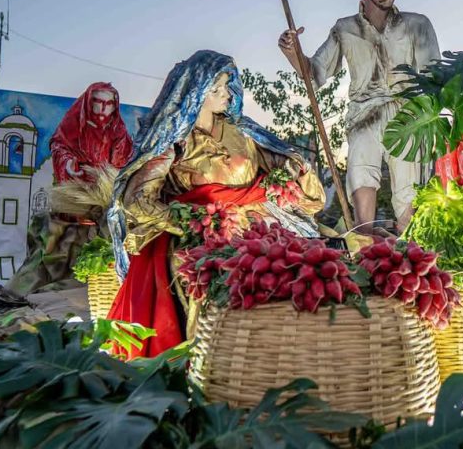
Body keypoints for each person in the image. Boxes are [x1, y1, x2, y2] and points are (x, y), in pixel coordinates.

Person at [106, 50, 324, 358]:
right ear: (194, 93)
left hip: (262, 225)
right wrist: (194, 218)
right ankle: (213, 362)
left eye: (226, 85)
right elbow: (137, 200)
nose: (226, 93)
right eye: (216, 88)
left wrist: (292, 173)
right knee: (213, 280)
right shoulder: (175, 142)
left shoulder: (243, 132)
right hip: (207, 232)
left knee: (303, 271)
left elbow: (284, 164)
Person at [278, 0, 440, 233]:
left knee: (408, 185)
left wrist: (433, 123)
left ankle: (412, 246)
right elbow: (314, 72)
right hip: (364, 112)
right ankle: (364, 240)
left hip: (408, 113)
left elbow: (434, 79)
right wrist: (292, 52)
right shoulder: (345, 29)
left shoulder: (418, 25)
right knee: (361, 170)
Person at [0, 83, 134, 304]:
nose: (104, 109)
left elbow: (124, 162)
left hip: (102, 201)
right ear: (89, 102)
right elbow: (59, 146)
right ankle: (31, 289)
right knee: (55, 242)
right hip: (74, 197)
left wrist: (108, 176)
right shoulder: (74, 125)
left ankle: (96, 290)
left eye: (109, 104)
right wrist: (69, 165)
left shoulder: (119, 132)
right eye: (98, 102)